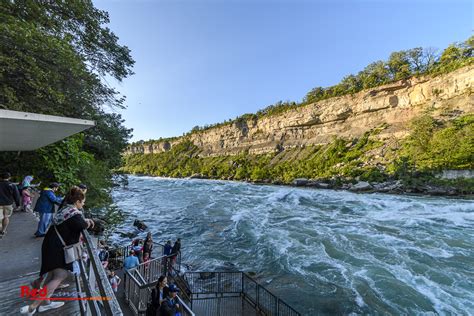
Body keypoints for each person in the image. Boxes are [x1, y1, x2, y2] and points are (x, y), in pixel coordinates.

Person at [20, 187, 94, 315]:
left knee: (52, 275)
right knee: (61, 275)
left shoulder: (65, 209)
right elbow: (81, 225)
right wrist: (89, 222)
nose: (83, 204)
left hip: (50, 244)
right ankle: (33, 307)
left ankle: (45, 303)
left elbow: (76, 223)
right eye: (82, 202)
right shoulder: (74, 213)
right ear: (77, 201)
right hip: (57, 248)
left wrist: (84, 221)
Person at [0, 172, 20, 237]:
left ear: (1, 177)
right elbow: (16, 195)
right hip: (8, 204)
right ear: (9, 177)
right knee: (6, 217)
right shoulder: (12, 185)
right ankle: (3, 231)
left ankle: (0, 229)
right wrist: (18, 204)